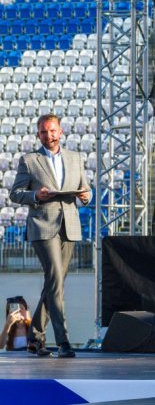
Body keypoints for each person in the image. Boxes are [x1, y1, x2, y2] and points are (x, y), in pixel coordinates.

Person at [10, 113, 92, 358]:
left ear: (61, 131)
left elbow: (86, 189)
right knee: (56, 281)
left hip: (70, 224)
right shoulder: (29, 160)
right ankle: (64, 341)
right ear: (38, 134)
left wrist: (87, 197)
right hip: (42, 225)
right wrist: (36, 196)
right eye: (44, 132)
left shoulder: (76, 158)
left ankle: (35, 336)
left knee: (55, 284)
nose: (49, 135)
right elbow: (15, 194)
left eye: (53, 131)